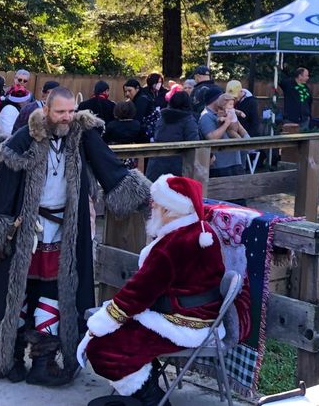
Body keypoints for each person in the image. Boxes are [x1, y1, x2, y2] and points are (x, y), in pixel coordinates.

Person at [0, 86, 150, 387]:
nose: (66, 118)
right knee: (18, 291)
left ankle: (44, 360)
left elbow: (109, 167)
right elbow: (4, 188)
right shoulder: (26, 138)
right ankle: (10, 357)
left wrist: (146, 197)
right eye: (60, 112)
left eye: (70, 111)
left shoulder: (82, 134)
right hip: (26, 230)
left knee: (55, 291)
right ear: (46, 110)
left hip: (65, 231)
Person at [82, 173, 225, 404]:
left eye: (155, 204)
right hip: (191, 314)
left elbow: (139, 292)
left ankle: (154, 400)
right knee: (116, 337)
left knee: (102, 349)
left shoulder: (175, 244)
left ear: (169, 209)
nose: (152, 209)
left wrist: (104, 321)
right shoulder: (196, 230)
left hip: (181, 322)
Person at [200, 92, 249, 201]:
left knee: (240, 201)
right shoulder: (206, 117)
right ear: (215, 100)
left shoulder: (228, 112)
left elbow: (238, 128)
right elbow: (212, 138)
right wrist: (226, 123)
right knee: (225, 202)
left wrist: (247, 138)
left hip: (235, 162)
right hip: (221, 166)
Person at [145, 90, 200, 182]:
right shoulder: (188, 120)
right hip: (177, 167)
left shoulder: (162, 117)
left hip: (156, 164)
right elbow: (194, 143)